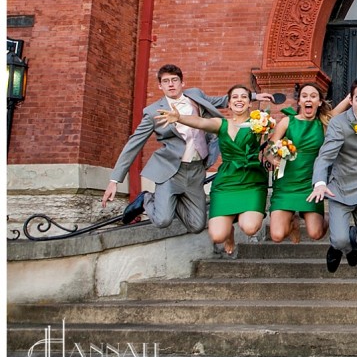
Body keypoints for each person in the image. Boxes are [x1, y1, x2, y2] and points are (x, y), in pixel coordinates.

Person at [100, 64, 267, 233]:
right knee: (163, 220)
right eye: (166, 81)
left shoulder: (195, 95)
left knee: (196, 226)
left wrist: (254, 96)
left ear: (182, 83)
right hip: (171, 171)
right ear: (160, 85)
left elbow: (223, 100)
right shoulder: (152, 112)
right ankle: (146, 199)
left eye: (174, 80)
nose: (171, 84)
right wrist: (114, 180)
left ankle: (172, 201)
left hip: (196, 170)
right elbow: (133, 144)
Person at [155, 84, 269, 256]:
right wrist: (179, 118)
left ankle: (241, 218)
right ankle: (228, 232)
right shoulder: (220, 123)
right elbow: (201, 122)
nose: (239, 100)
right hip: (226, 182)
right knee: (217, 236)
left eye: (244, 97)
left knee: (250, 228)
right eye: (235, 97)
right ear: (229, 104)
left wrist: (275, 152)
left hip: (251, 181)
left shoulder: (259, 123)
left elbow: (271, 145)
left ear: (249, 103)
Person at [309, 77, 357, 271]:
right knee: (339, 239)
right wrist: (319, 182)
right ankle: (338, 247)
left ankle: (353, 241)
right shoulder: (338, 124)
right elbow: (325, 156)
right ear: (350, 100)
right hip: (341, 188)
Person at [265, 83, 333, 244]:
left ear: (320, 102)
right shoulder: (287, 122)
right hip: (286, 183)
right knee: (276, 236)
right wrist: (271, 158)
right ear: (300, 102)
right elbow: (269, 148)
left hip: (310, 183)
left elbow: (348, 107)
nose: (308, 99)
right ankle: (293, 223)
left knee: (316, 234)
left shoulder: (324, 124)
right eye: (304, 96)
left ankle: (331, 218)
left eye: (313, 96)